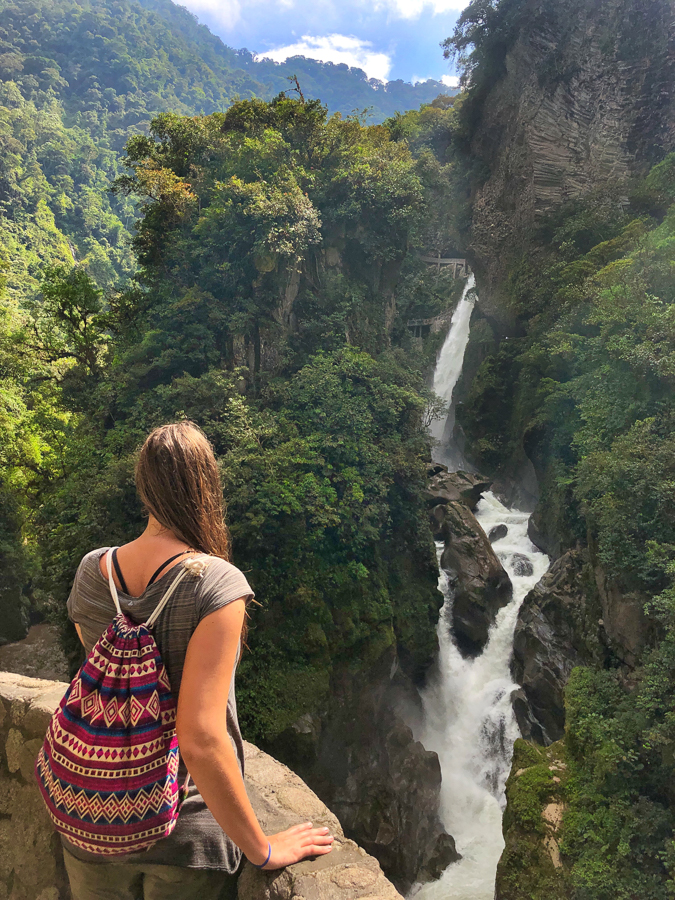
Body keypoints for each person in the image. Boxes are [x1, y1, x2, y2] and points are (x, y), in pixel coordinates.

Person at [62, 421, 334, 900]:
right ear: (207, 485)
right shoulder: (217, 585)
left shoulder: (92, 570)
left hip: (90, 817)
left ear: (143, 486)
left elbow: (99, 675)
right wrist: (263, 850)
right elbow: (201, 739)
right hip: (182, 835)